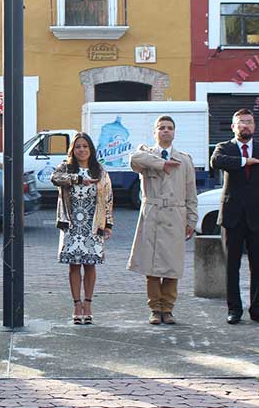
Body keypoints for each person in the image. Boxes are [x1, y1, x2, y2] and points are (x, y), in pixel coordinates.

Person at [128, 116, 198, 325]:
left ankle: (168, 308)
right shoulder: (147, 155)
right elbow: (134, 159)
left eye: (169, 128)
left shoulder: (184, 159)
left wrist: (191, 220)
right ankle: (154, 308)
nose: (165, 131)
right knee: (151, 267)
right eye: (161, 128)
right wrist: (162, 164)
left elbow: (191, 193)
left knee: (172, 266)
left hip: (175, 215)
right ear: (155, 132)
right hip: (153, 214)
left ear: (174, 132)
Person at [211, 108, 259, 326]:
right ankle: (234, 309)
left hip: (258, 218)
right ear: (233, 126)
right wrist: (244, 162)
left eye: (248, 122)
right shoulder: (224, 148)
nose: (245, 126)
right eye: (240, 122)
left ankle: (257, 309)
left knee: (258, 266)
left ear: (254, 126)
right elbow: (217, 162)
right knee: (232, 266)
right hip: (232, 217)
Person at [51, 132, 113, 325]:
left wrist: (108, 224)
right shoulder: (66, 168)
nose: (82, 149)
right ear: (73, 150)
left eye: (85, 146)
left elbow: (109, 198)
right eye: (78, 146)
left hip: (92, 223)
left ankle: (88, 304)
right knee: (74, 265)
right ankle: (76, 305)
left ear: (91, 149)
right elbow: (55, 178)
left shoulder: (100, 170)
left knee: (90, 264)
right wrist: (78, 179)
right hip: (71, 223)